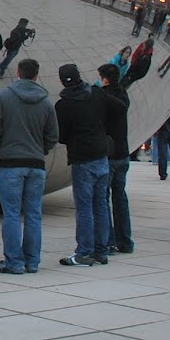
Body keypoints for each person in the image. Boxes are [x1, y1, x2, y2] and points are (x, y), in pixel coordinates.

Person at [0, 59, 58, 274]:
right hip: (36, 164)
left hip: (11, 164)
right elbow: (52, 135)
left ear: (17, 73)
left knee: (11, 214)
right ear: (37, 75)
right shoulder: (46, 102)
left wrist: (1, 150)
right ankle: (32, 262)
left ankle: (14, 262)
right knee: (34, 215)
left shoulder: (4, 96)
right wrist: (40, 150)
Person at [55, 64, 110, 267]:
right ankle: (102, 250)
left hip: (82, 158)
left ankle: (84, 251)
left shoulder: (64, 105)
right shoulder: (97, 95)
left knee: (84, 207)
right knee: (101, 204)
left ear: (62, 81)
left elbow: (61, 135)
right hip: (101, 155)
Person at [96, 64, 135, 256]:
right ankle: (125, 241)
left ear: (104, 79)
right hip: (123, 154)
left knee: (103, 199)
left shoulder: (103, 98)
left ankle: (108, 241)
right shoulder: (123, 95)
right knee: (120, 198)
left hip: (108, 155)